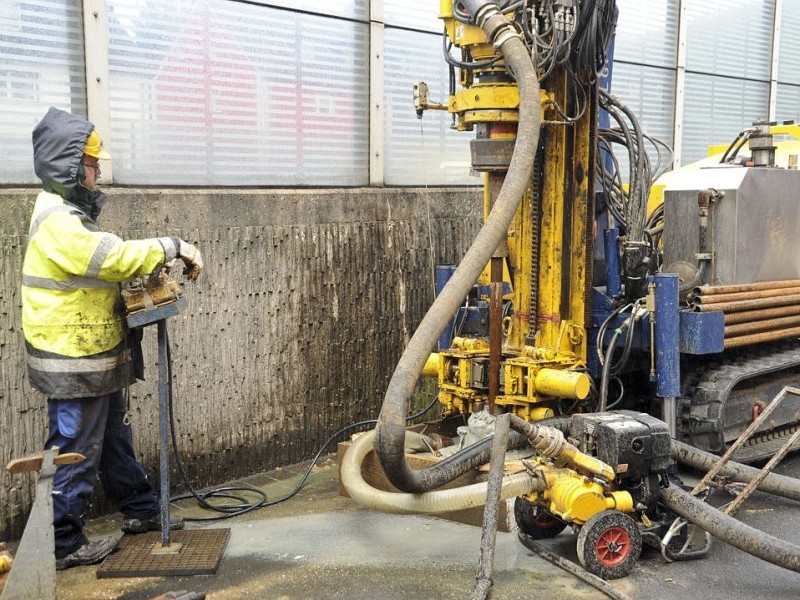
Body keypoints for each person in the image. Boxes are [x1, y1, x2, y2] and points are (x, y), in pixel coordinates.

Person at [21, 107, 203, 570]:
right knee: (75, 450)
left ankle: (140, 509)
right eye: (91, 162)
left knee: (112, 438)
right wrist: (171, 245)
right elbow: (113, 259)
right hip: (73, 360)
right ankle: (62, 542)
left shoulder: (70, 213)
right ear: (67, 165)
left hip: (92, 355)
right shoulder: (59, 219)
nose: (98, 171)